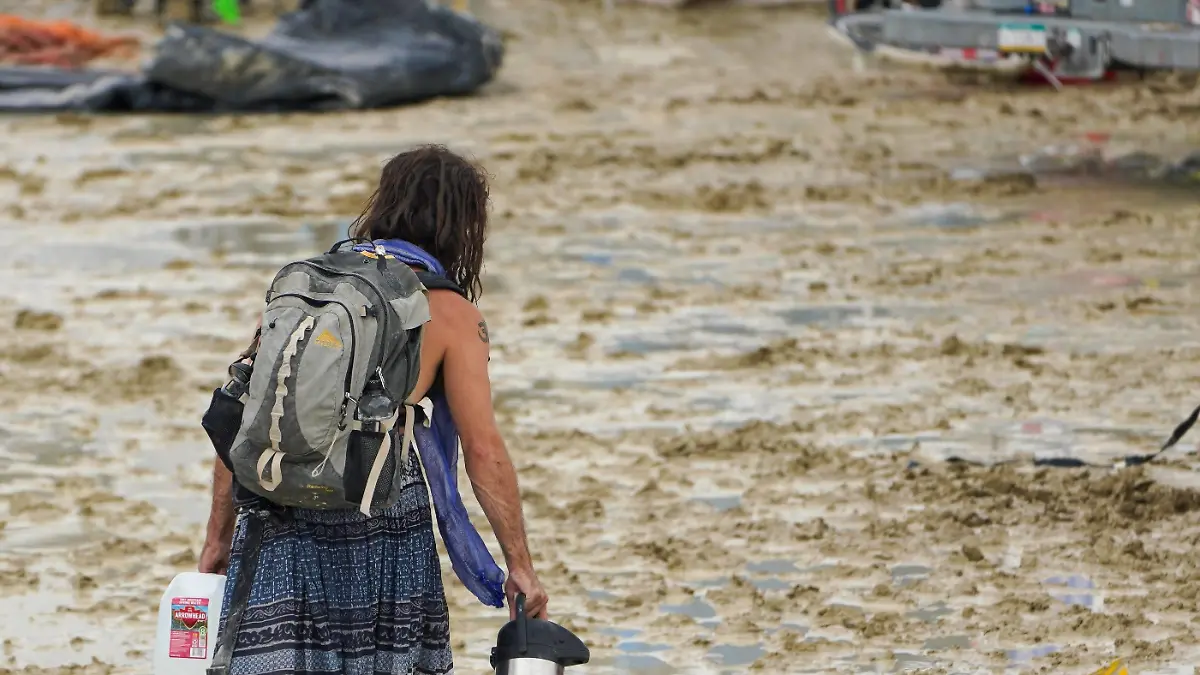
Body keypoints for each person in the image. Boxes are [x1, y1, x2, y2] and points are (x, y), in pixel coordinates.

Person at [198, 144, 548, 675]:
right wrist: (520, 566)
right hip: (380, 515)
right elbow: (482, 449)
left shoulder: (308, 285)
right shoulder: (451, 312)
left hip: (278, 514)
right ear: (464, 226)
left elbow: (246, 416)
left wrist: (216, 542)